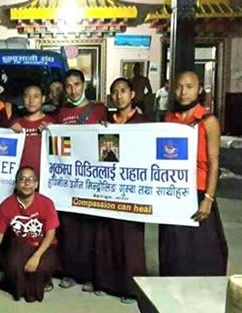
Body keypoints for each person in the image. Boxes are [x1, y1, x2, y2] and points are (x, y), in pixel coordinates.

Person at [159, 71, 228, 276]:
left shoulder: (208, 121)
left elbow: (214, 163)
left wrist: (208, 198)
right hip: (172, 189)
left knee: (203, 249)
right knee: (173, 246)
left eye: (189, 87)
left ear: (198, 90)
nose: (183, 92)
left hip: (198, 190)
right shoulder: (168, 119)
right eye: (179, 87)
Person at [94, 77, 147, 304]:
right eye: (114, 92)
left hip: (132, 188)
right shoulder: (107, 121)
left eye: (123, 91)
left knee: (130, 239)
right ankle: (107, 283)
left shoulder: (143, 122)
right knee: (107, 236)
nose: (119, 96)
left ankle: (131, 288)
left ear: (132, 94)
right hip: (109, 188)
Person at [56, 69, 107, 292]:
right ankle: (71, 272)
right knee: (70, 229)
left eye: (76, 84)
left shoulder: (98, 110)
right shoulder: (61, 113)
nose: (72, 90)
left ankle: (91, 275)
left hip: (92, 180)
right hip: (68, 181)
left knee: (91, 231)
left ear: (83, 85)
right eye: (68, 86)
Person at [0, 167, 59, 302]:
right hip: (20, 244)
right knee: (15, 267)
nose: (26, 183)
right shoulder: (7, 205)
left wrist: (36, 256)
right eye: (22, 179)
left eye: (30, 179)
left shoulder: (46, 203)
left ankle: (44, 281)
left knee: (40, 268)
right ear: (16, 184)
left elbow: (50, 234)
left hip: (43, 245)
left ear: (37, 184)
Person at [10, 84, 56, 179]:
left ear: (43, 99)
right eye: (27, 96)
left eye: (36, 96)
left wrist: (53, 133)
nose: (31, 101)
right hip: (21, 179)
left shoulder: (52, 123)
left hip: (45, 178)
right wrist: (9, 133)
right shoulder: (15, 124)